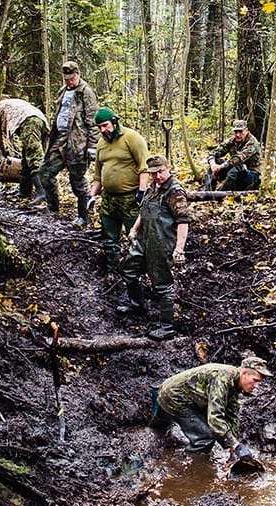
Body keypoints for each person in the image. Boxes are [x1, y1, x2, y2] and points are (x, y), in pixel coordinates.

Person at [118, 155, 190, 340]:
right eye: (153, 173)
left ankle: (167, 327)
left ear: (168, 168)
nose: (157, 176)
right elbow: (144, 211)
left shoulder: (175, 191)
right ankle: (137, 305)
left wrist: (179, 249)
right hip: (143, 240)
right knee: (129, 270)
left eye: (160, 171)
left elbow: (183, 221)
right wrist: (133, 229)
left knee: (162, 285)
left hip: (161, 243)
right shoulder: (152, 187)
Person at [150, 357, 273, 462]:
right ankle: (193, 468)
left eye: (259, 383)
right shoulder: (223, 378)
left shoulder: (234, 383)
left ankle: (155, 429)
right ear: (244, 373)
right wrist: (236, 446)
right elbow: (215, 417)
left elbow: (232, 416)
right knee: (206, 437)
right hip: (174, 397)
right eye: (255, 380)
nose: (257, 386)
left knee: (160, 425)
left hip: (175, 393)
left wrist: (233, 449)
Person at [33, 61, 99, 226]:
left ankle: (83, 216)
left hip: (78, 143)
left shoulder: (86, 92)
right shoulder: (63, 91)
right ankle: (53, 206)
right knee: (45, 172)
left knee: (77, 181)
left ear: (78, 74)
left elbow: (93, 121)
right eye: (66, 78)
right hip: (60, 139)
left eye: (71, 78)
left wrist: (92, 146)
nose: (69, 81)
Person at [89, 107, 150, 276]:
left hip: (130, 198)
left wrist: (141, 191)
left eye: (105, 125)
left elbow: (144, 166)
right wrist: (92, 196)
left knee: (135, 237)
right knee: (109, 238)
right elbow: (97, 174)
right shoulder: (101, 144)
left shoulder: (132, 138)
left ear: (114, 122)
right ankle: (112, 272)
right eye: (99, 127)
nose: (103, 130)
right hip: (108, 199)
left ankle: (136, 274)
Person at [0, 96, 49, 203]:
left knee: (34, 157)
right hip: (40, 120)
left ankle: (43, 193)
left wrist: (1, 148)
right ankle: (24, 191)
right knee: (26, 158)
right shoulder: (17, 102)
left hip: (29, 121)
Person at [204, 119, 262, 192]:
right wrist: (213, 164)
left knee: (237, 167)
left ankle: (219, 194)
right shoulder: (232, 141)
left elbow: (238, 159)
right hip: (235, 173)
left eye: (240, 131)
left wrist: (221, 167)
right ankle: (207, 192)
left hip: (251, 176)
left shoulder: (252, 142)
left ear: (246, 130)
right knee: (215, 163)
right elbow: (215, 152)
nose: (238, 135)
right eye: (236, 132)